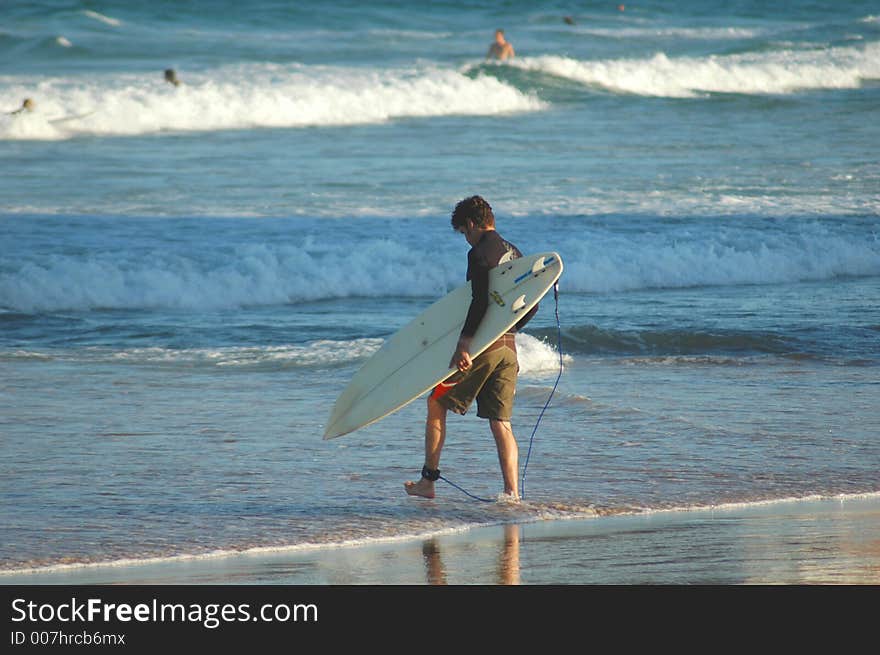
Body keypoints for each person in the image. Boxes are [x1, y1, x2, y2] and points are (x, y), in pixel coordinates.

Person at [404, 196, 537, 501]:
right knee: (501, 422)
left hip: (482, 348)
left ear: (473, 224)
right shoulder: (515, 252)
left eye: (465, 231)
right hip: (508, 348)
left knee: (436, 403)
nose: (466, 238)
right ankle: (512, 492)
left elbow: (479, 301)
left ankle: (428, 482)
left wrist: (464, 344)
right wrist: (510, 329)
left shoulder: (478, 253)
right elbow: (532, 302)